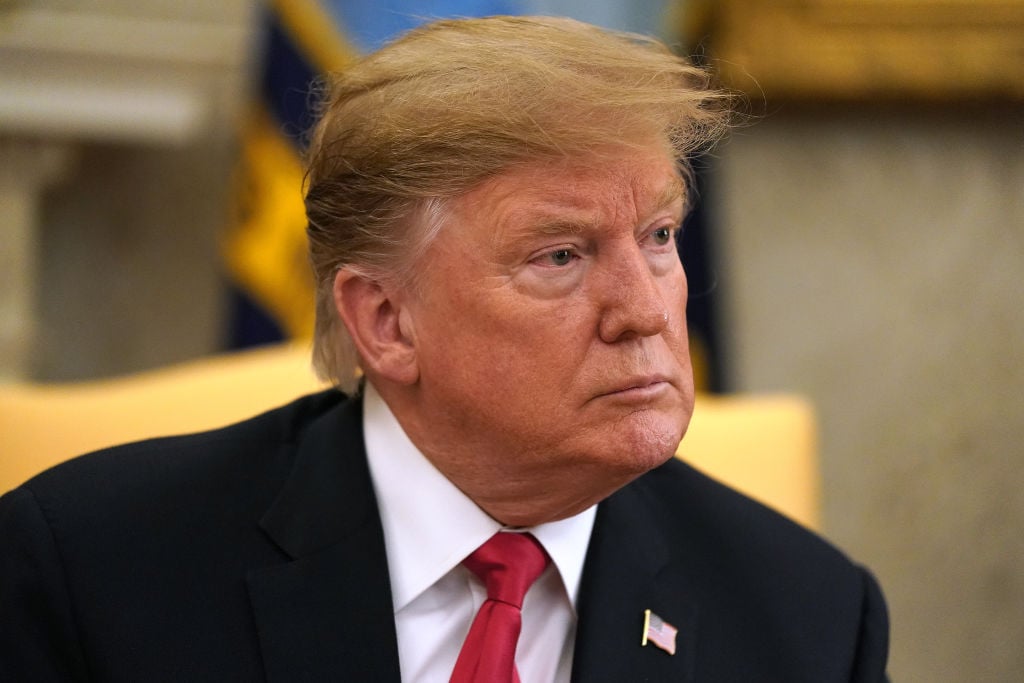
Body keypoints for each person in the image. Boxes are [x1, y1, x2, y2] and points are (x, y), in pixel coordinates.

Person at [0, 15, 888, 682]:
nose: (645, 310)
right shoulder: (90, 573)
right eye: (561, 256)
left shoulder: (810, 620)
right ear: (387, 320)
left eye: (658, 236)